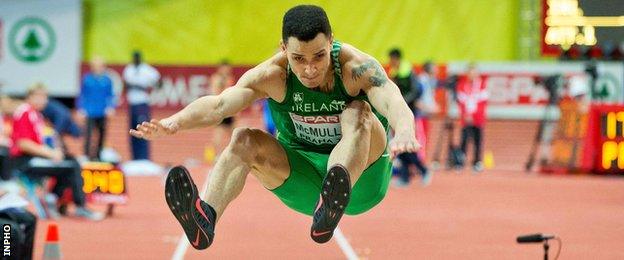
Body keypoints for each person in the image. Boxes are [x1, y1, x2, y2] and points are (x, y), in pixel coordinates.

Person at [130, 5, 419, 248]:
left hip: (361, 183)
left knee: (357, 112)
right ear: (284, 49)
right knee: (243, 139)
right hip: (303, 182)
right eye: (298, 59)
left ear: (331, 41)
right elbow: (219, 105)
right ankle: (205, 218)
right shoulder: (273, 75)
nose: (309, 69)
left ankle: (334, 190)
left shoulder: (355, 68)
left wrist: (405, 130)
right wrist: (174, 122)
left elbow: (392, 99)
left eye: (319, 56)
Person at [9, 84, 103, 220]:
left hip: (34, 158)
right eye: (39, 97)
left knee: (69, 161)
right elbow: (23, 144)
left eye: (45, 97)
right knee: (71, 167)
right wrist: (50, 154)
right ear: (29, 97)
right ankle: (79, 206)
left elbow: (45, 138)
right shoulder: (25, 113)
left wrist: (56, 149)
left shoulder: (37, 115)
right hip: (25, 161)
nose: (43, 101)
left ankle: (53, 198)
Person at [386, 48, 431, 187]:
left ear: (397, 59)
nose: (391, 62)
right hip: (397, 113)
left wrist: (403, 101)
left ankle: (423, 170)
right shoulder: (394, 72)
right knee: (399, 145)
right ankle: (405, 177)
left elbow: (417, 91)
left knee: (406, 144)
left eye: (392, 59)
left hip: (408, 113)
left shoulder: (409, 71)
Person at [123, 51, 161, 161]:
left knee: (144, 130)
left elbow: (159, 82)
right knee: (132, 131)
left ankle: (144, 158)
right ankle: (135, 158)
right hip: (132, 103)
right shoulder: (128, 69)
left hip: (142, 103)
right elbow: (125, 84)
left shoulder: (147, 70)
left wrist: (147, 87)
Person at [78, 57, 115, 160]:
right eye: (95, 66)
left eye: (100, 66)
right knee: (88, 134)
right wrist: (81, 108)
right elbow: (82, 95)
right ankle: (86, 155)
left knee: (102, 134)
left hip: (102, 111)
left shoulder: (107, 80)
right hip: (90, 111)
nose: (97, 68)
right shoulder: (87, 79)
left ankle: (99, 154)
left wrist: (110, 107)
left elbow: (111, 95)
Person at [456, 63, 488, 172]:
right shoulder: (462, 85)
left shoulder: (482, 85)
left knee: (477, 140)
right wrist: (466, 115)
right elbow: (461, 102)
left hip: (478, 118)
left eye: (474, 72)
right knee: (464, 140)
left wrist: (474, 115)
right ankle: (460, 162)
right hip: (466, 119)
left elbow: (483, 102)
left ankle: (477, 161)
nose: (472, 75)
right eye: (470, 72)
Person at [209, 61, 235, 155]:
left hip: (229, 108)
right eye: (225, 68)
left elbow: (231, 93)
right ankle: (217, 155)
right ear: (220, 68)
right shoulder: (216, 78)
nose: (227, 70)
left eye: (228, 68)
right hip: (220, 109)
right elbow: (215, 93)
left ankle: (233, 153)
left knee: (234, 134)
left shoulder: (230, 78)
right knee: (218, 133)